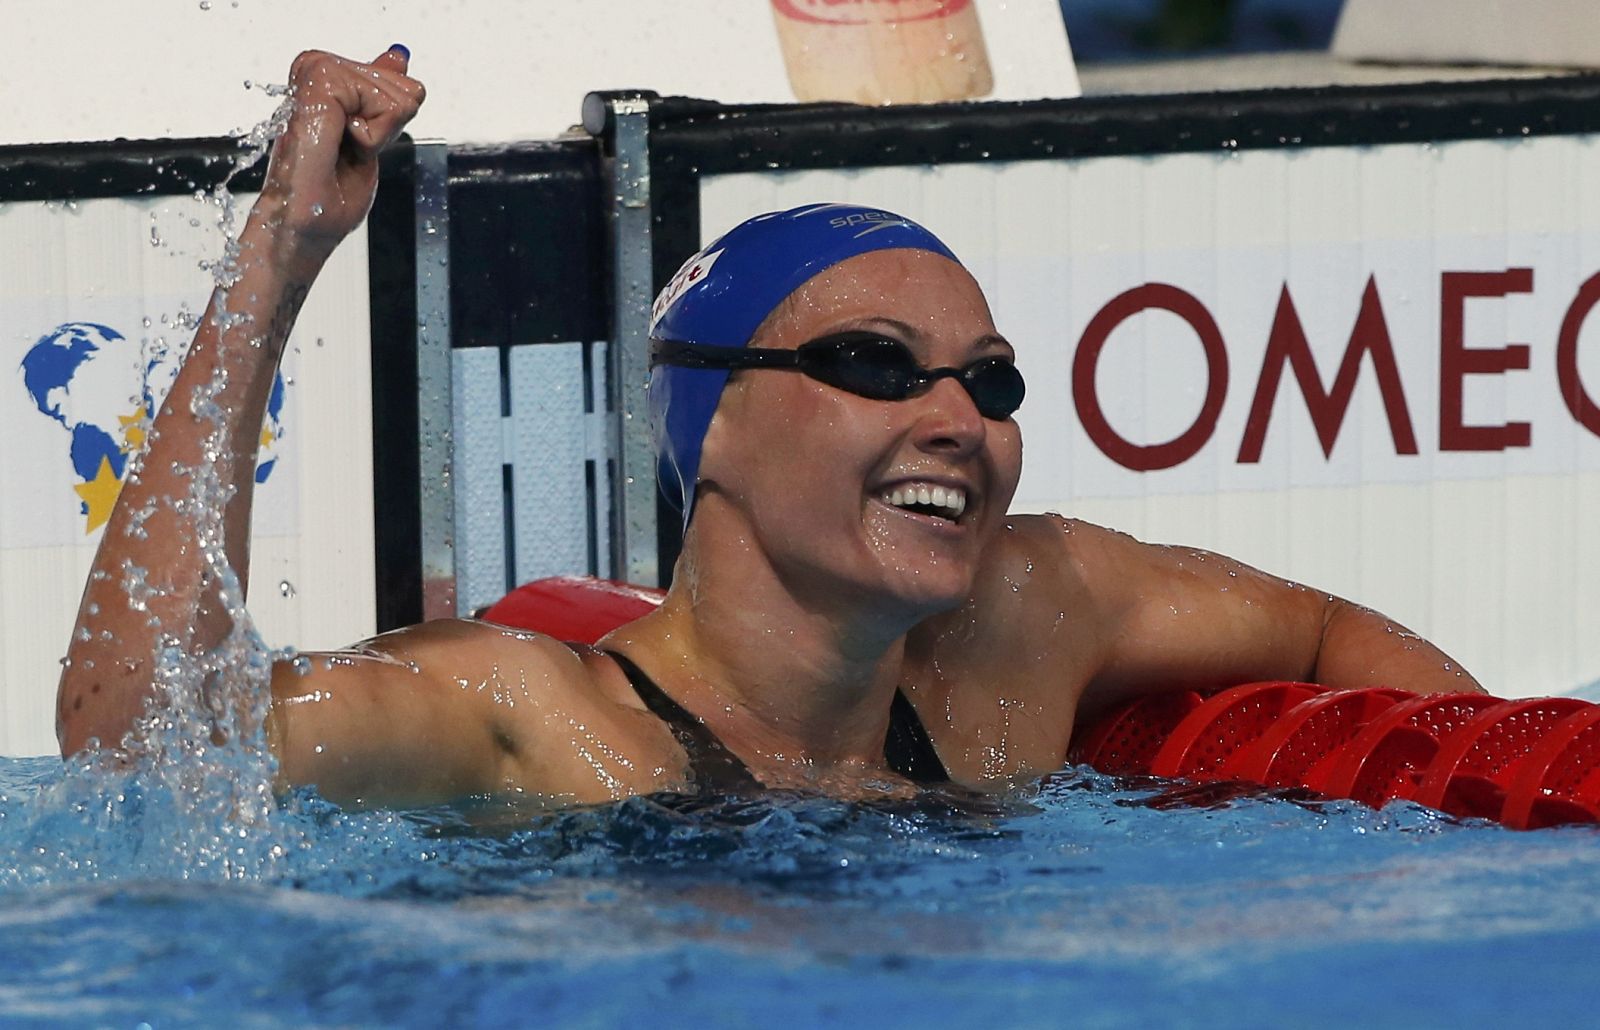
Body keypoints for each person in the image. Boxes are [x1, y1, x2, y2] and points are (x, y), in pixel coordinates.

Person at [55, 46, 1483, 809]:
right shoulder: (537, 726)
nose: (957, 420)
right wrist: (282, 258)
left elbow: (1326, 635)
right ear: (710, 426)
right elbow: (140, 743)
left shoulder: (1025, 626)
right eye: (878, 363)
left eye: (990, 381)